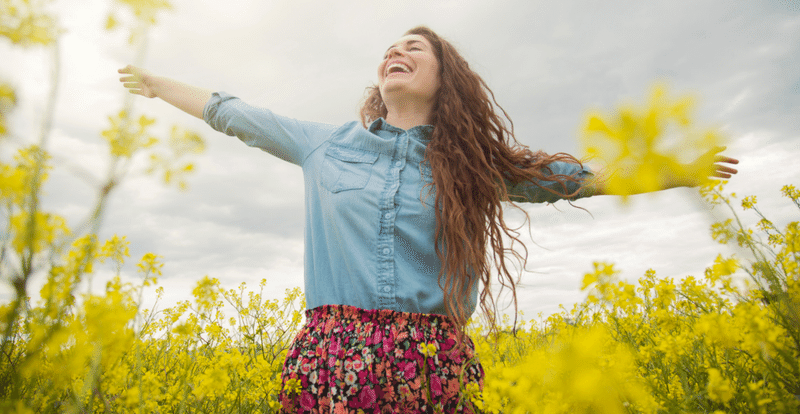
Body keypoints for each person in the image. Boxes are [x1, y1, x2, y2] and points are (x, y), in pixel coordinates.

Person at [118, 26, 738, 413]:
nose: (396, 51)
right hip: (334, 356)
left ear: (446, 80)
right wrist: (156, 83)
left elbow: (581, 180)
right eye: (390, 47)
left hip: (431, 358)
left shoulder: (474, 166)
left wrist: (678, 168)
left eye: (415, 47)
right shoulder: (323, 145)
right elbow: (233, 113)